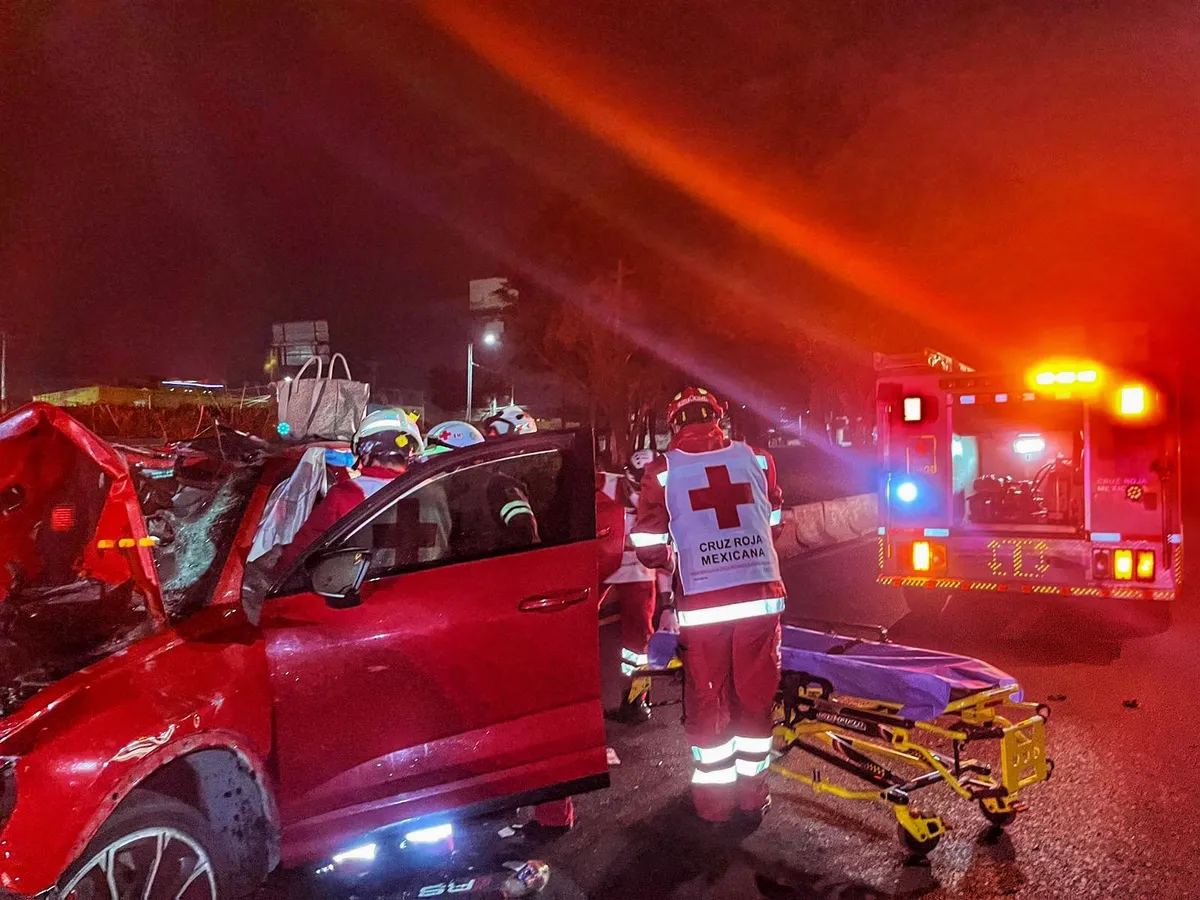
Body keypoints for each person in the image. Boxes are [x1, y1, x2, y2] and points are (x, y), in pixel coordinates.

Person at [631, 387, 785, 831]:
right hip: (760, 596)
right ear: (718, 418)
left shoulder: (662, 472)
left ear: (675, 424)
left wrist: (681, 555)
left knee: (709, 699)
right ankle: (753, 796)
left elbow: (647, 547)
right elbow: (772, 519)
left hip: (704, 605)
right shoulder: (757, 459)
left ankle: (713, 806)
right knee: (755, 696)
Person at [279, 408, 424, 568]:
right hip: (428, 588)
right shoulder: (437, 487)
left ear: (366, 451)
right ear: (411, 451)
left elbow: (299, 554)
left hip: (365, 590)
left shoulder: (346, 494)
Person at [599, 448, 671, 724]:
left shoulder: (663, 498)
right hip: (606, 567)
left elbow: (665, 554)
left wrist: (667, 602)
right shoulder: (608, 483)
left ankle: (636, 701)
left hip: (639, 573)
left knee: (639, 645)